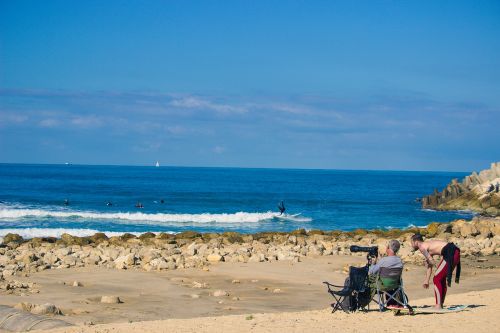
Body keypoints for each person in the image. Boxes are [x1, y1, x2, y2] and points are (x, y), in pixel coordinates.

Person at [410, 234, 461, 309]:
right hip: (454, 252)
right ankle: (440, 303)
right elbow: (429, 265)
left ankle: (438, 305)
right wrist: (427, 280)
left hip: (450, 253)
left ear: (416, 242)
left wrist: (436, 267)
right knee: (441, 279)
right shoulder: (427, 245)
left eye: (411, 243)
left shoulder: (422, 247)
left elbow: (431, 261)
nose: (411, 245)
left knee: (437, 279)